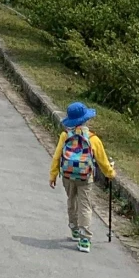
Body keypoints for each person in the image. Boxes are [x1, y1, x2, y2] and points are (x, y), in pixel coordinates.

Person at [50, 101, 115, 253]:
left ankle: (74, 228)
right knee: (85, 206)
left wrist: (53, 174)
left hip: (67, 175)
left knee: (71, 200)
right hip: (86, 177)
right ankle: (84, 239)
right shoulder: (93, 139)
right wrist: (110, 173)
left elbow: (57, 156)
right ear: (86, 119)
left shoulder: (65, 135)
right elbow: (103, 162)